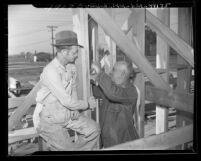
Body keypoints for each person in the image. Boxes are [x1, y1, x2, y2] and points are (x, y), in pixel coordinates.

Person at [32, 30, 100, 151]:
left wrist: (74, 108)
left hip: (64, 113)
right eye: (74, 52)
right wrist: (87, 105)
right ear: (64, 52)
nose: (77, 55)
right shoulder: (50, 71)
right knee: (68, 150)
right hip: (47, 120)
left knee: (94, 129)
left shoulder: (71, 66)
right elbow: (66, 101)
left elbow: (73, 88)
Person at [90, 60, 139, 148]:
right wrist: (92, 81)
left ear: (123, 74)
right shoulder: (113, 88)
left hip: (123, 141)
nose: (110, 72)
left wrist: (100, 73)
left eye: (114, 70)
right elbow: (97, 92)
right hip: (109, 138)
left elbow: (112, 93)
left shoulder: (131, 91)